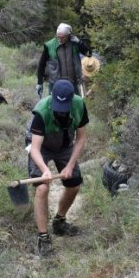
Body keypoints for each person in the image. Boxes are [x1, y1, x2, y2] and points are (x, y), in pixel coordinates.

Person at [27, 78, 90, 256]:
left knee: (74, 184)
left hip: (64, 144)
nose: (61, 111)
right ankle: (43, 238)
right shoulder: (41, 111)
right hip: (41, 147)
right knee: (42, 188)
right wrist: (46, 171)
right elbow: (35, 149)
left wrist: (70, 166)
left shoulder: (79, 105)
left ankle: (59, 222)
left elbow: (81, 137)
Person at [36, 23, 91, 96]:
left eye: (63, 37)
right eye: (58, 37)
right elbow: (41, 64)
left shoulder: (75, 44)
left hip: (73, 83)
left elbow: (89, 54)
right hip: (55, 84)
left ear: (69, 35)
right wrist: (39, 82)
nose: (60, 39)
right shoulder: (49, 45)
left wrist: (80, 43)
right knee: (54, 106)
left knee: (76, 105)